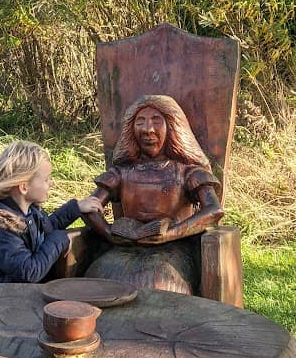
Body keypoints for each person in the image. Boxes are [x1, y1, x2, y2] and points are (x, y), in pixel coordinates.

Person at [83, 94, 224, 293]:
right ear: (131, 130)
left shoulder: (186, 172)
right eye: (140, 122)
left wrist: (171, 234)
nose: (148, 129)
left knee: (159, 281)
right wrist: (109, 234)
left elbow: (214, 210)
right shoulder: (123, 172)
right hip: (125, 249)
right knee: (98, 275)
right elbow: (90, 207)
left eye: (156, 121)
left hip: (173, 249)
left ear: (173, 127)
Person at [0, 140, 103, 283]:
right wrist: (59, 239)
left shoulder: (29, 211)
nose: (51, 183)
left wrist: (75, 208)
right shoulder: (3, 231)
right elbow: (30, 271)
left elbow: (45, 229)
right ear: (24, 187)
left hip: (13, 293)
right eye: (46, 179)